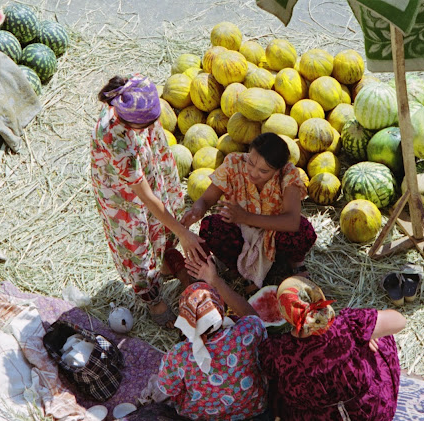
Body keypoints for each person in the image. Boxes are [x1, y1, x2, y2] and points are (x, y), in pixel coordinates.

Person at [91, 74, 206, 328]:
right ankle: (153, 300)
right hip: (123, 192)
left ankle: (165, 260)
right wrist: (183, 232)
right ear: (132, 124)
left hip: (147, 167)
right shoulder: (114, 137)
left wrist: (177, 227)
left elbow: (157, 197)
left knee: (162, 219)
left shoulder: (137, 90)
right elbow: (145, 197)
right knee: (136, 241)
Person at [180, 132, 317, 291]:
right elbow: (206, 199)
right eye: (251, 163)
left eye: (263, 171)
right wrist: (197, 210)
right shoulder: (233, 163)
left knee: (302, 230)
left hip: (274, 232)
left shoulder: (289, 174)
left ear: (278, 170)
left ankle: (294, 263)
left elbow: (292, 222)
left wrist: (245, 217)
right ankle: (239, 272)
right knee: (210, 227)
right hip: (241, 234)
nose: (253, 172)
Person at [258, 276, 406, 421]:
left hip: (315, 416)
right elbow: (400, 321)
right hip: (371, 412)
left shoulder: (277, 351)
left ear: (285, 314)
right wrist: (369, 334)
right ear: (319, 296)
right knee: (382, 338)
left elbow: (268, 372)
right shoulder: (350, 324)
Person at [154, 256, 270, 420]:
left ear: (186, 321)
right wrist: (215, 281)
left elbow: (167, 389)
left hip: (203, 416)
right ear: (221, 308)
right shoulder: (247, 331)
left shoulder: (178, 356)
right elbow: (253, 317)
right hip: (254, 407)